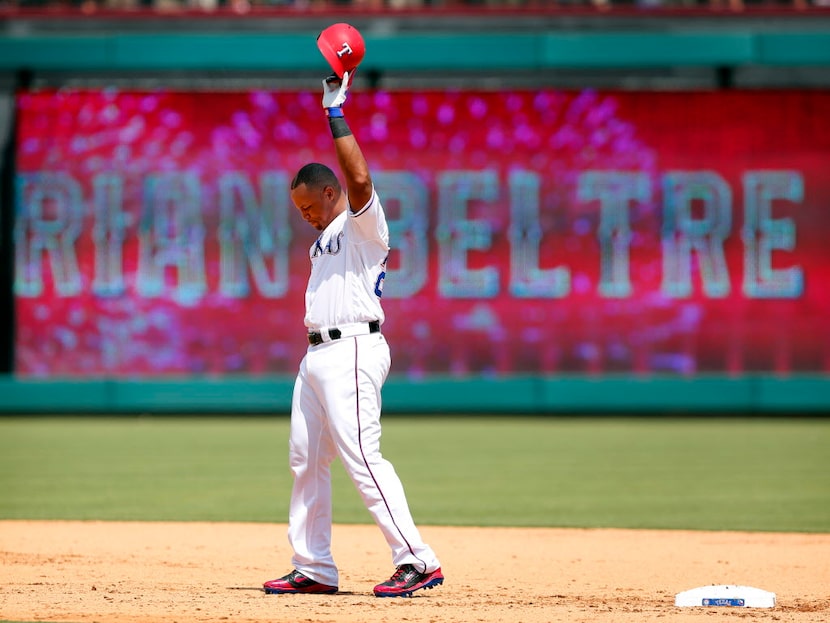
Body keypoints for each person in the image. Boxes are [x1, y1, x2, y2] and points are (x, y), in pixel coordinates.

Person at [262, 71, 444, 599]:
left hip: (355, 348)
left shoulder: (362, 225)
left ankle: (417, 559)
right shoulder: (324, 240)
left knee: (363, 455)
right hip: (317, 354)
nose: (306, 217)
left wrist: (335, 112)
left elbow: (360, 181)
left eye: (309, 207)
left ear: (328, 191)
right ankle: (313, 565)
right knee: (305, 458)